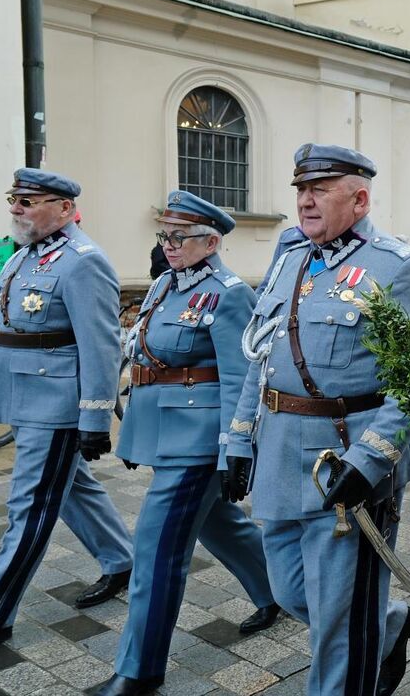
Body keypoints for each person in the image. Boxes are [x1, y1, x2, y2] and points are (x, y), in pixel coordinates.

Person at [223, 145, 410, 696]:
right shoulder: (292, 257)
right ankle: (387, 622)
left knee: (339, 625)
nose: (305, 200)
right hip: (279, 452)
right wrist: (240, 441)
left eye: (319, 189)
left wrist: (370, 461)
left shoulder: (398, 266)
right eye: (300, 190)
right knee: (292, 593)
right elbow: (262, 356)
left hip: (344, 459)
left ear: (360, 198)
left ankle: (359, 649)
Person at [93, 192, 279, 696]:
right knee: (218, 524)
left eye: (180, 237)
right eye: (164, 236)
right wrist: (134, 433)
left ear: (212, 241)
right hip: (166, 430)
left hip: (199, 442)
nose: (169, 246)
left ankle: (139, 669)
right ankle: (276, 589)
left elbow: (243, 379)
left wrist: (233, 452)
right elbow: (149, 360)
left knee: (155, 549)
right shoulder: (164, 287)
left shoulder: (229, 293)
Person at [0, 169, 134, 652]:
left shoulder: (83, 262)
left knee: (29, 508)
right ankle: (122, 560)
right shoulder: (21, 258)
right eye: (15, 199)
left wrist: (94, 419)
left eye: (29, 201)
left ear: (65, 209)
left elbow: (101, 348)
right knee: (71, 489)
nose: (16, 208)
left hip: (56, 407)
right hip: (22, 397)